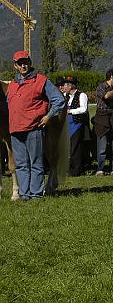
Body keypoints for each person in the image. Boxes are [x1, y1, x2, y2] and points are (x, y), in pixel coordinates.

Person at [5, 50, 66, 200]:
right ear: (15, 66)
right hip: (15, 131)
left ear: (30, 63)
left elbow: (59, 100)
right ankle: (24, 195)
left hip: (34, 129)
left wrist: (48, 116)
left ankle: (36, 195)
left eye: (25, 62)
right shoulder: (12, 85)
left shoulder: (42, 80)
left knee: (36, 164)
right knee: (21, 165)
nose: (23, 65)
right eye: (20, 63)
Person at [95, 67, 113, 176]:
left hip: (112, 118)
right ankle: (100, 169)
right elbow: (105, 96)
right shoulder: (102, 87)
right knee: (102, 146)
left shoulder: (112, 89)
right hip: (102, 119)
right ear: (111, 76)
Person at [64, 75, 89, 177]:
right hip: (67, 125)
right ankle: (69, 167)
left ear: (72, 86)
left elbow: (84, 109)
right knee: (68, 148)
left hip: (76, 124)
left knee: (76, 148)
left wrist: (70, 111)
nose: (65, 86)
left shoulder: (81, 95)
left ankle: (76, 169)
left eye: (67, 84)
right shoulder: (66, 96)